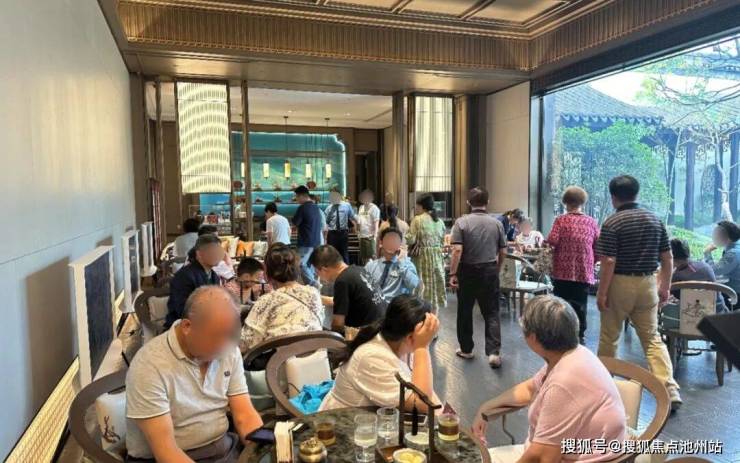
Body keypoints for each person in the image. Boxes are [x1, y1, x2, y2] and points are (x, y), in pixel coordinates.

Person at [472, 296, 626, 463]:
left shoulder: (563, 382)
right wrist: (487, 406)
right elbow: (531, 388)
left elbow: (542, 458)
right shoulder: (573, 354)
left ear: (533, 338)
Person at [126, 286, 263, 462]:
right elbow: (166, 452)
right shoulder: (150, 365)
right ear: (187, 327)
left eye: (229, 334)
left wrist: (261, 449)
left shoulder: (228, 350)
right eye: (215, 336)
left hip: (222, 448)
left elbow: (244, 415)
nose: (223, 345)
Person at [595, 175, 681, 410]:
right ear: (637, 193)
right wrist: (665, 286)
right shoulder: (654, 220)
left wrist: (602, 293)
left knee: (609, 336)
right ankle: (670, 389)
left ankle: (604, 386)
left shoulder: (612, 223)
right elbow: (667, 257)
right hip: (648, 282)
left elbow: (609, 261)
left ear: (613, 197)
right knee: (652, 337)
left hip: (620, 282)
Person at [319, 295, 439, 411]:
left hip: (372, 419)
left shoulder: (401, 343)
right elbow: (423, 404)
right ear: (411, 337)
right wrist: (422, 348)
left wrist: (421, 346)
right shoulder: (372, 356)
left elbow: (426, 389)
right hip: (344, 421)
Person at [448, 187, 507, 367]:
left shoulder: (461, 222)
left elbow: (457, 250)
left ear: (468, 202)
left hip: (467, 271)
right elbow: (503, 251)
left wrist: (452, 273)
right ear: (487, 202)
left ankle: (466, 349)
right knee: (492, 312)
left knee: (465, 311)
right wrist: (497, 268)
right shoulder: (497, 224)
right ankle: (494, 353)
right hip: (489, 270)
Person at [241, 244, 324, 351]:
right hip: (316, 356)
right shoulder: (313, 293)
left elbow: (247, 343)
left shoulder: (267, 300)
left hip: (281, 360)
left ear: (267, 273)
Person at [546, 186, 600, 344]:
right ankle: (579, 334)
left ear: (565, 202)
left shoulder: (561, 220)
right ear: (582, 202)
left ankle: (561, 333)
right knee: (581, 303)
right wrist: (591, 261)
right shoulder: (591, 222)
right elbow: (598, 246)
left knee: (561, 303)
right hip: (583, 270)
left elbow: (552, 240)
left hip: (562, 269)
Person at [309, 245, 383, 334]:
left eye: (317, 272)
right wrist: (315, 297)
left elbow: (338, 324)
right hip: (382, 327)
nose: (319, 277)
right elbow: (344, 301)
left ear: (324, 269)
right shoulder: (359, 270)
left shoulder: (342, 281)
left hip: (367, 334)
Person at [165, 234, 223, 329]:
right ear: (199, 254)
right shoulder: (185, 276)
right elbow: (182, 310)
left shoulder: (214, 276)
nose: (218, 255)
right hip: (184, 327)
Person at [406, 194, 446, 314]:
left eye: (417, 206)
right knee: (434, 290)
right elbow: (442, 241)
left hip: (422, 258)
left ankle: (422, 319)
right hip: (437, 258)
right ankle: (433, 320)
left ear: (421, 206)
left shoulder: (417, 220)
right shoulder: (439, 221)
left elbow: (411, 239)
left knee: (421, 287)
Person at [365, 228, 420, 304]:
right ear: (381, 243)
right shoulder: (371, 266)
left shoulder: (406, 264)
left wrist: (401, 262)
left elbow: (413, 284)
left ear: (400, 245)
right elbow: (364, 289)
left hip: (396, 306)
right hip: (375, 306)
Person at [670, 238, 726, 312]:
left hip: (697, 315)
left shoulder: (677, 276)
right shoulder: (704, 266)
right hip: (720, 312)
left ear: (670, 257)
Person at [704, 220, 740, 310]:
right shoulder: (734, 248)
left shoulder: (733, 253)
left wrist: (707, 253)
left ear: (727, 237)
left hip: (734, 294)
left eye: (718, 235)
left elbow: (713, 271)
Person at [292, 185, 324, 286]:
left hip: (306, 242)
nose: (296, 199)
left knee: (300, 264)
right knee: (310, 265)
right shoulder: (316, 207)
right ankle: (313, 287)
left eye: (297, 197)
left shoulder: (302, 208)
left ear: (301, 196)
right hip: (316, 241)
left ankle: (313, 284)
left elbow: (295, 222)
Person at [325, 189, 356, 263]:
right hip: (332, 233)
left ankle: (346, 269)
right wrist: (325, 236)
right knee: (332, 253)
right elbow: (326, 222)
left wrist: (358, 226)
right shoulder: (329, 208)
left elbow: (352, 216)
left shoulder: (347, 205)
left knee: (344, 253)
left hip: (343, 233)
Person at [356, 189, 381, 264]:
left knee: (372, 256)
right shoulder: (361, 207)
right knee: (364, 257)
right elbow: (359, 221)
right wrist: (358, 232)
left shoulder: (374, 208)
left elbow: (376, 223)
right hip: (362, 236)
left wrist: (375, 236)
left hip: (370, 237)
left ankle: (374, 270)